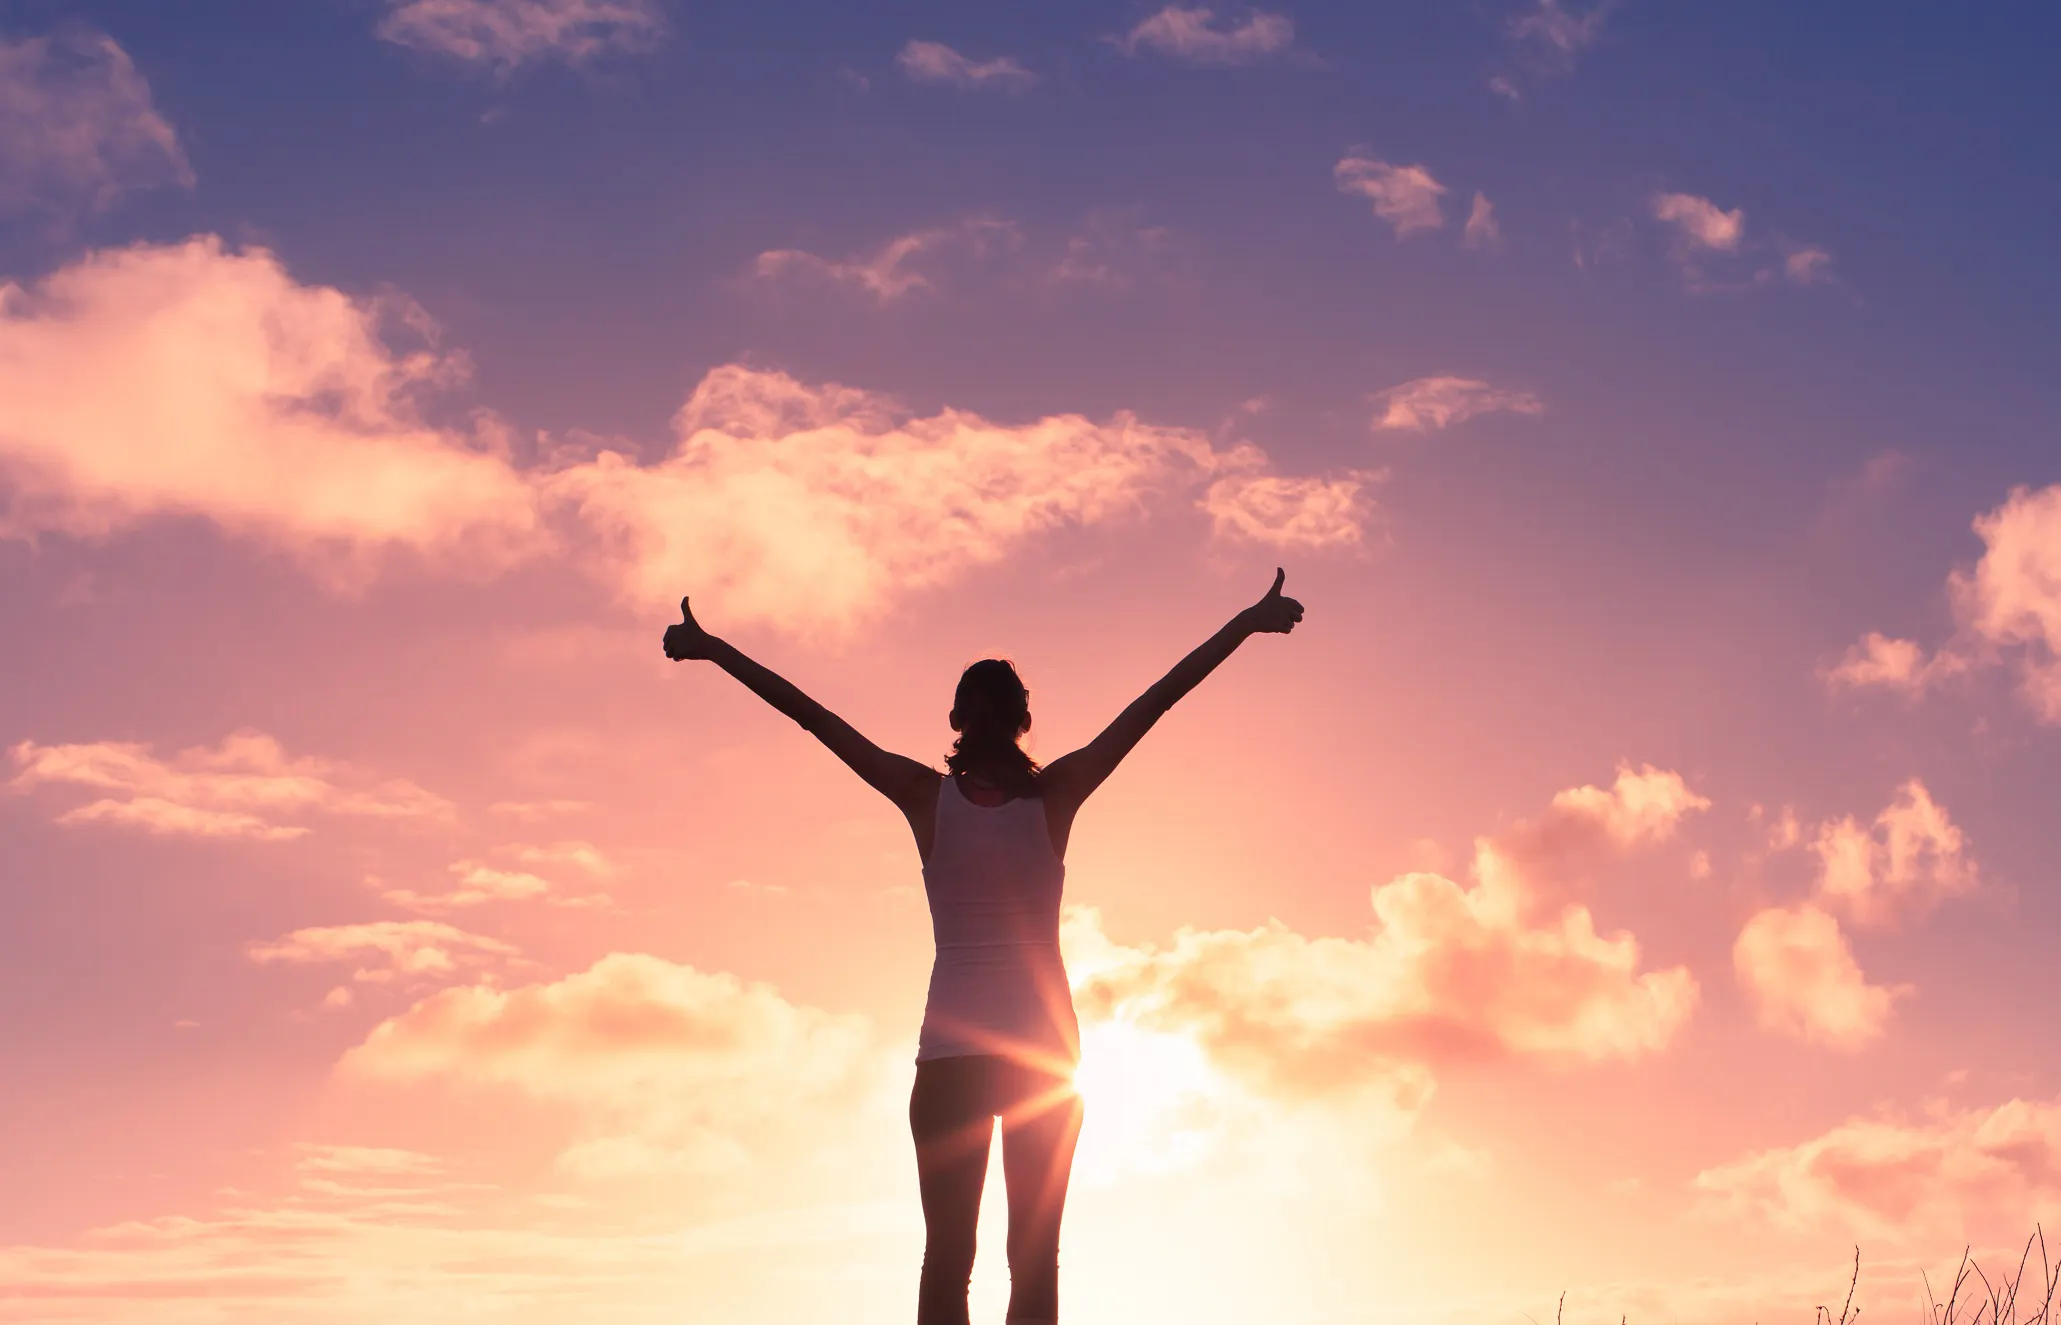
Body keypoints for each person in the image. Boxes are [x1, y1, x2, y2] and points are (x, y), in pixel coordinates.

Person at [662, 570, 1306, 1325]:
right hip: (1044, 1059)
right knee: (1032, 1265)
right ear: (1024, 720)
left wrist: (714, 648)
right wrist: (1246, 620)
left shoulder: (923, 797)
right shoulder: (1058, 793)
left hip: (950, 1060)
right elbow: (1157, 701)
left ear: (957, 719)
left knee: (946, 1262)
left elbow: (814, 717)